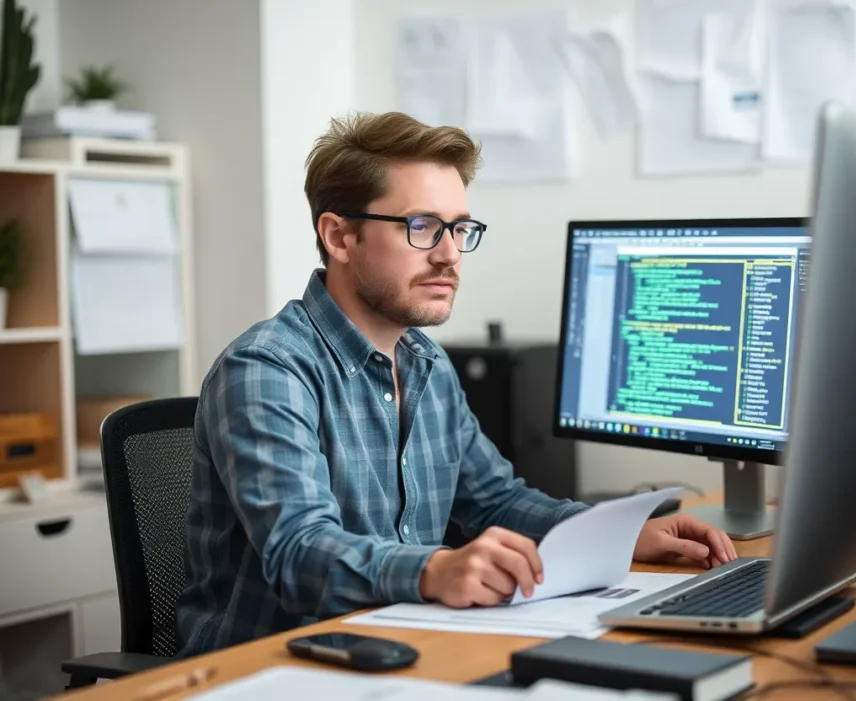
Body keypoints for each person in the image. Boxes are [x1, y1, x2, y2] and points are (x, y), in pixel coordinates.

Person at [175, 111, 738, 655]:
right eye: (422, 227)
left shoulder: (425, 362)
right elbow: (298, 554)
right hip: (270, 668)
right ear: (340, 236)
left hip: (402, 644)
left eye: (459, 228)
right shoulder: (267, 369)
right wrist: (437, 568)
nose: (450, 254)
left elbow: (495, 501)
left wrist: (616, 535)